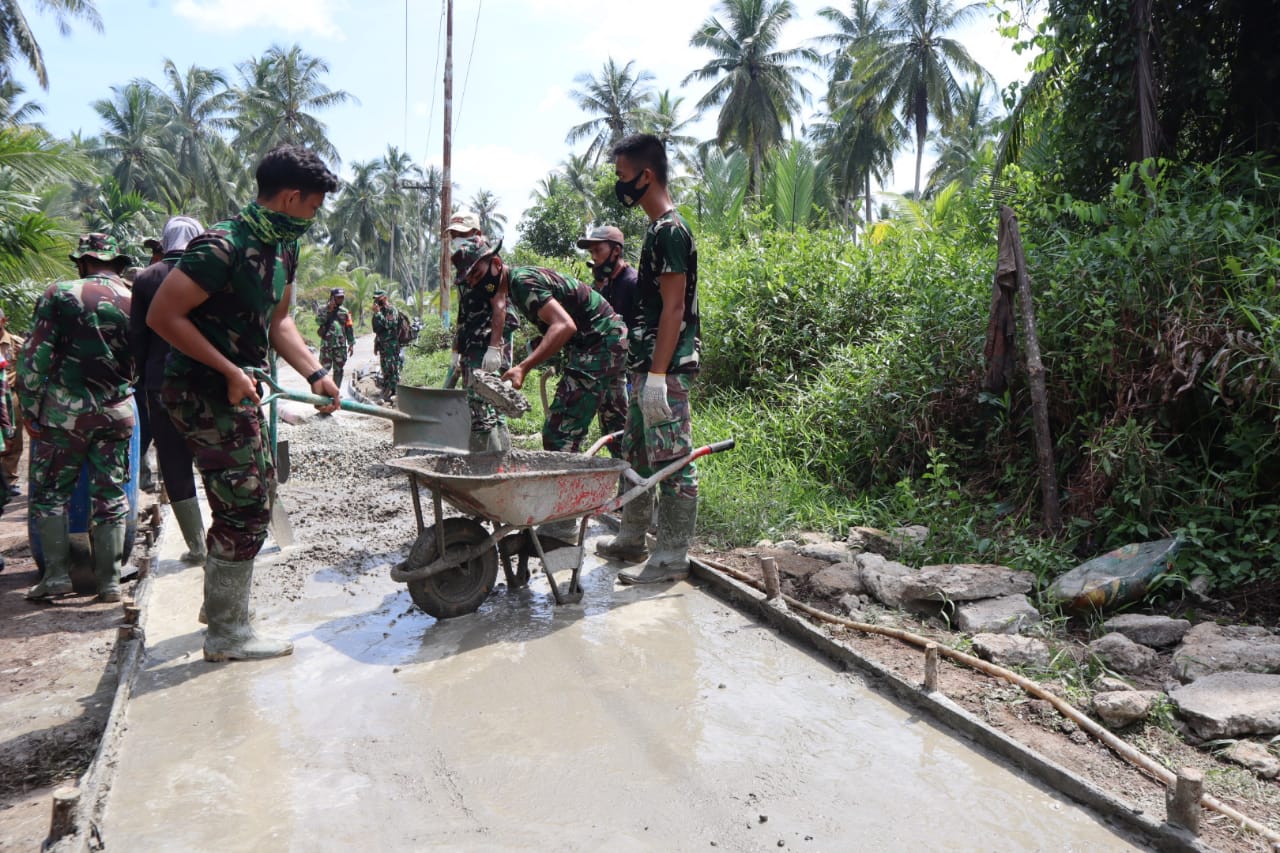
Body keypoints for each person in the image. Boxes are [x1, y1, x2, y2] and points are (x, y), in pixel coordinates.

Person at [148, 144, 340, 662]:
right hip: (201, 390)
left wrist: (316, 373)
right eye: (313, 206)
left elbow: (280, 321)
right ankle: (227, 634)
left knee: (254, 491)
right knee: (246, 503)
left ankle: (221, 608)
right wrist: (229, 371)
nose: (314, 217)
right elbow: (163, 316)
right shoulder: (221, 246)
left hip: (239, 390)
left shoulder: (283, 249)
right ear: (292, 197)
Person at [598, 133, 702, 585]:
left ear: (646, 175)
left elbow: (674, 308)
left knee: (673, 460)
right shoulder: (657, 230)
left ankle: (672, 555)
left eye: (623, 175)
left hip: (667, 368)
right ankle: (631, 537)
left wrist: (659, 375)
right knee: (636, 453)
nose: (620, 184)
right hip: (647, 366)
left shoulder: (671, 231)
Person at [19, 233, 136, 603]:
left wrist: (30, 409)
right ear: (116, 262)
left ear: (83, 262)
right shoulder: (135, 298)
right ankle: (110, 582)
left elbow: (35, 358)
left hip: (62, 417)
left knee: (51, 494)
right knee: (111, 495)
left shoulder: (59, 294)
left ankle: (56, 577)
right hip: (116, 413)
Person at [451, 237, 627, 454]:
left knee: (559, 435)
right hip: (611, 339)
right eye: (470, 281)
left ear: (496, 263)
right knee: (618, 426)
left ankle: (568, 478)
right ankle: (633, 474)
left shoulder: (522, 282)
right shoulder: (515, 285)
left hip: (598, 344)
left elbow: (564, 326)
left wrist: (523, 367)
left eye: (478, 275)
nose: (475, 284)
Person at [129, 215, 208, 565]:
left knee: (174, 461)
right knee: (215, 457)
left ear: (164, 241)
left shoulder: (147, 278)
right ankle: (226, 539)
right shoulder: (209, 272)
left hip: (160, 384)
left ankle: (197, 545)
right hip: (207, 382)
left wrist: (141, 376)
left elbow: (137, 336)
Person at [446, 211, 518, 452]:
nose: (456, 239)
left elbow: (500, 306)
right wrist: (456, 349)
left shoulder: (487, 263)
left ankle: (485, 461)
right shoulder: (463, 265)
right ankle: (500, 458)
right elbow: (463, 312)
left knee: (484, 400)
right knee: (487, 401)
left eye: (461, 234)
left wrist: (494, 347)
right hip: (471, 339)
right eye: (453, 235)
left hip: (489, 340)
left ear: (476, 233)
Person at [576, 225, 639, 456]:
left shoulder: (632, 283)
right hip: (609, 374)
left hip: (631, 375)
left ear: (616, 251)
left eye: (598, 250)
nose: (594, 257)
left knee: (629, 436)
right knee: (613, 433)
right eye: (591, 252)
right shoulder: (607, 287)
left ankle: (636, 477)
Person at [0, 307, 25, 493]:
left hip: (11, 397)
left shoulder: (16, 343)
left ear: (3, 321)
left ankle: (10, 479)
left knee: (13, 439)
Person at [315, 287, 355, 390]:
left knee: (339, 370)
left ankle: (336, 391)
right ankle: (323, 392)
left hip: (340, 346)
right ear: (332, 297)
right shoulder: (322, 309)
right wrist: (329, 310)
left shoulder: (345, 312)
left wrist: (351, 343)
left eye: (342, 297)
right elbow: (318, 321)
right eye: (338, 297)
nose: (341, 299)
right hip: (326, 346)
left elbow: (349, 328)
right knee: (323, 370)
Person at [370, 288, 403, 400]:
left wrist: (378, 314)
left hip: (391, 345)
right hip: (382, 345)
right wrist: (376, 344)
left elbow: (389, 324)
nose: (376, 301)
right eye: (375, 299)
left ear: (384, 298)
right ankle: (387, 389)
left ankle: (395, 391)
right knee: (385, 368)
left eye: (378, 298)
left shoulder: (391, 310)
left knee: (392, 368)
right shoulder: (379, 311)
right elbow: (376, 329)